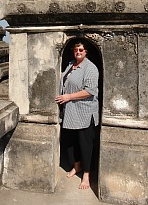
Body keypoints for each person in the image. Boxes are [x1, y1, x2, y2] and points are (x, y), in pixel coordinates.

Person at [55, 40, 99, 190]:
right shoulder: (70, 64)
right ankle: (76, 166)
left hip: (84, 112)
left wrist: (68, 97)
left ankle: (86, 175)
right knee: (71, 142)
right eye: (76, 50)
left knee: (85, 145)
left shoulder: (90, 68)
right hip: (70, 112)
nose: (78, 52)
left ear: (86, 52)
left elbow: (90, 91)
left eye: (81, 50)